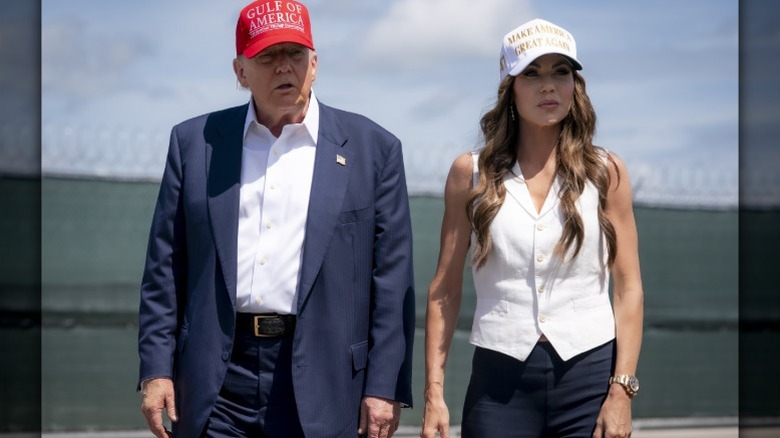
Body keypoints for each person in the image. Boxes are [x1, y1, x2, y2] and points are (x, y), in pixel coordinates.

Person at [137, 1, 415, 436]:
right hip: (215, 381)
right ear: (240, 72)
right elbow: (164, 269)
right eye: (267, 56)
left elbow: (392, 283)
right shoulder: (195, 144)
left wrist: (384, 386)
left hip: (325, 380)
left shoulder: (373, 149)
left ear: (315, 65)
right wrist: (156, 370)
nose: (285, 67)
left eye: (296, 54)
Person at [420, 18, 644, 438]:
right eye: (532, 74)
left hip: (590, 380)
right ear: (510, 87)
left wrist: (621, 391)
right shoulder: (470, 173)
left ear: (575, 85)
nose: (548, 86)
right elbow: (444, 290)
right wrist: (434, 392)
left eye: (561, 72)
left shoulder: (606, 172)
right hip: (499, 384)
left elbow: (628, 286)